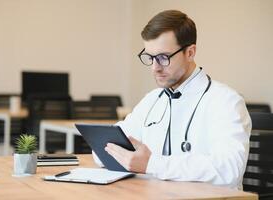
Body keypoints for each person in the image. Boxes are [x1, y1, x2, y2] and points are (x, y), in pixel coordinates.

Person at [97, 10, 251, 189]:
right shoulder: (152, 100)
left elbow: (229, 170)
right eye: (150, 57)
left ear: (190, 52)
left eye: (163, 57)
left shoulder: (226, 101)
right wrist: (107, 149)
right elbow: (104, 149)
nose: (155, 68)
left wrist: (152, 164)